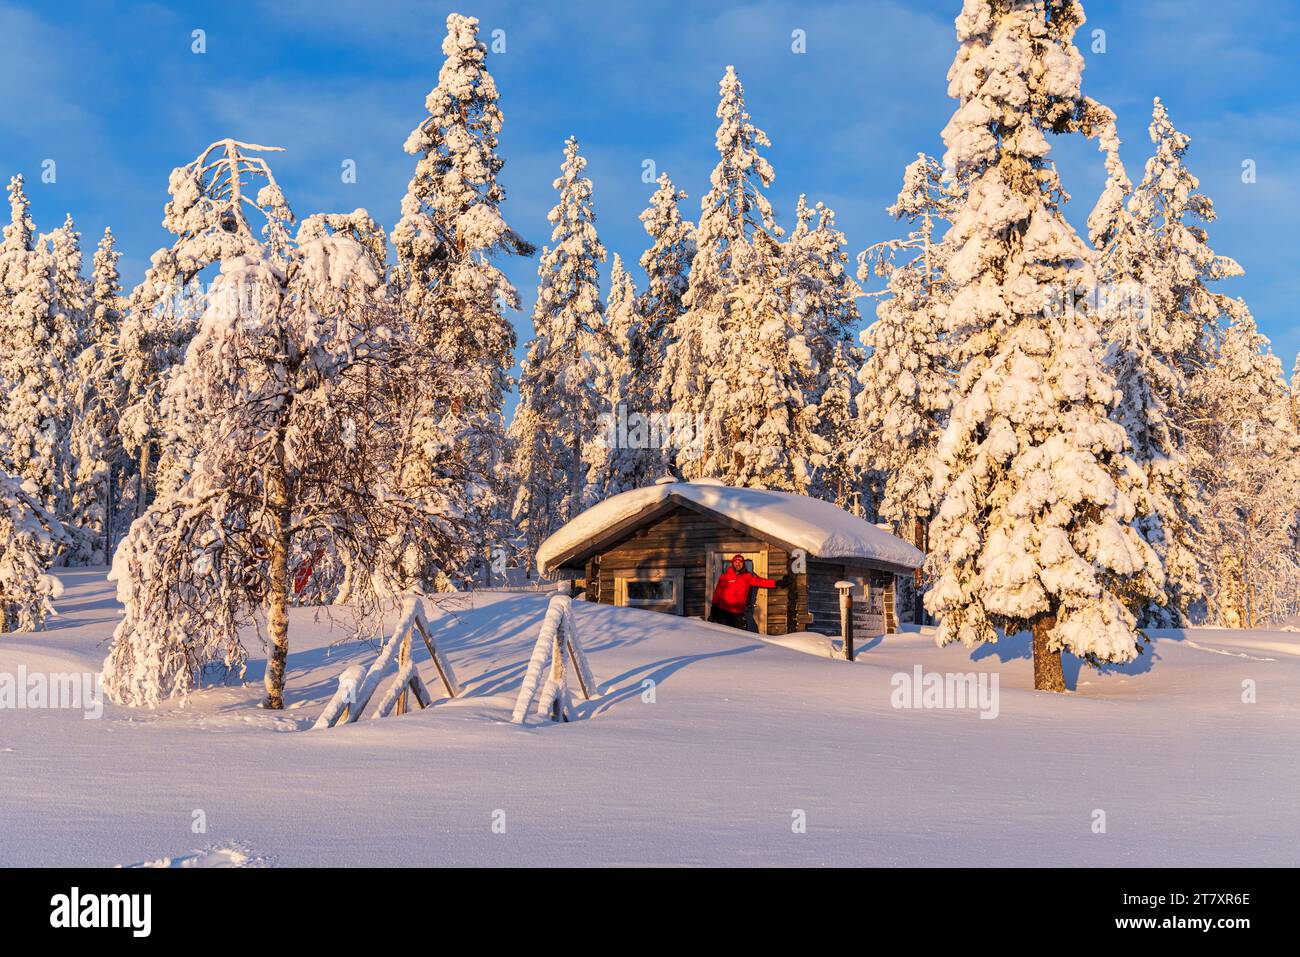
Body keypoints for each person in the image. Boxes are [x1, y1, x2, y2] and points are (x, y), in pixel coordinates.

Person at [708, 554, 782, 631]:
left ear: (743, 564)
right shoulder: (725, 577)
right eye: (736, 562)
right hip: (723, 612)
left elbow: (761, 581)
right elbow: (717, 593)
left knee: (741, 636)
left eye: (740, 562)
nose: (738, 564)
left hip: (738, 613)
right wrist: (714, 610)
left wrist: (777, 583)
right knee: (723, 634)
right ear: (732, 563)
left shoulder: (747, 577)